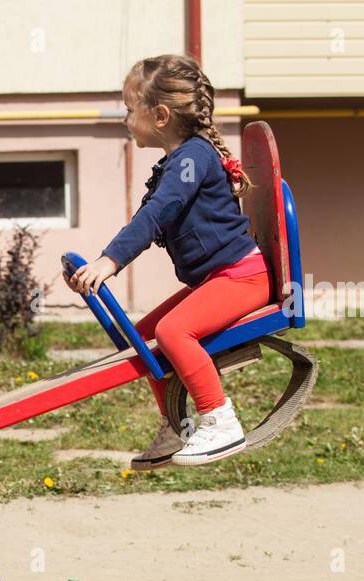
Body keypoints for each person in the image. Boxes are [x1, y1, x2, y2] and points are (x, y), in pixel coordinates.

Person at [68, 54, 271, 468]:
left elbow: (155, 214)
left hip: (243, 276)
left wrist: (108, 262)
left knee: (173, 330)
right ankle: (177, 426)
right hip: (223, 278)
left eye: (129, 109)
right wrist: (96, 267)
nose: (125, 119)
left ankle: (220, 421)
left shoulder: (192, 159)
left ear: (160, 115)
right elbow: (155, 219)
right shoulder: (178, 163)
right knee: (143, 337)